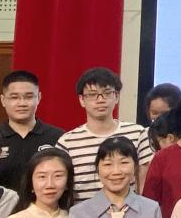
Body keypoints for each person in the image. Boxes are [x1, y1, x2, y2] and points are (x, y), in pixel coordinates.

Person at [57, 67, 153, 200]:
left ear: (116, 96)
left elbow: (144, 185)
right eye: (92, 94)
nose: (100, 100)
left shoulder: (137, 133)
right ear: (81, 100)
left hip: (128, 211)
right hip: (83, 212)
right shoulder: (67, 142)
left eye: (107, 93)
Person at [0, 71, 65, 193]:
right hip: (2, 205)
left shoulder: (59, 137)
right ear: (3, 100)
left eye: (29, 97)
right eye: (14, 97)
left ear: (39, 98)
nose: (22, 103)